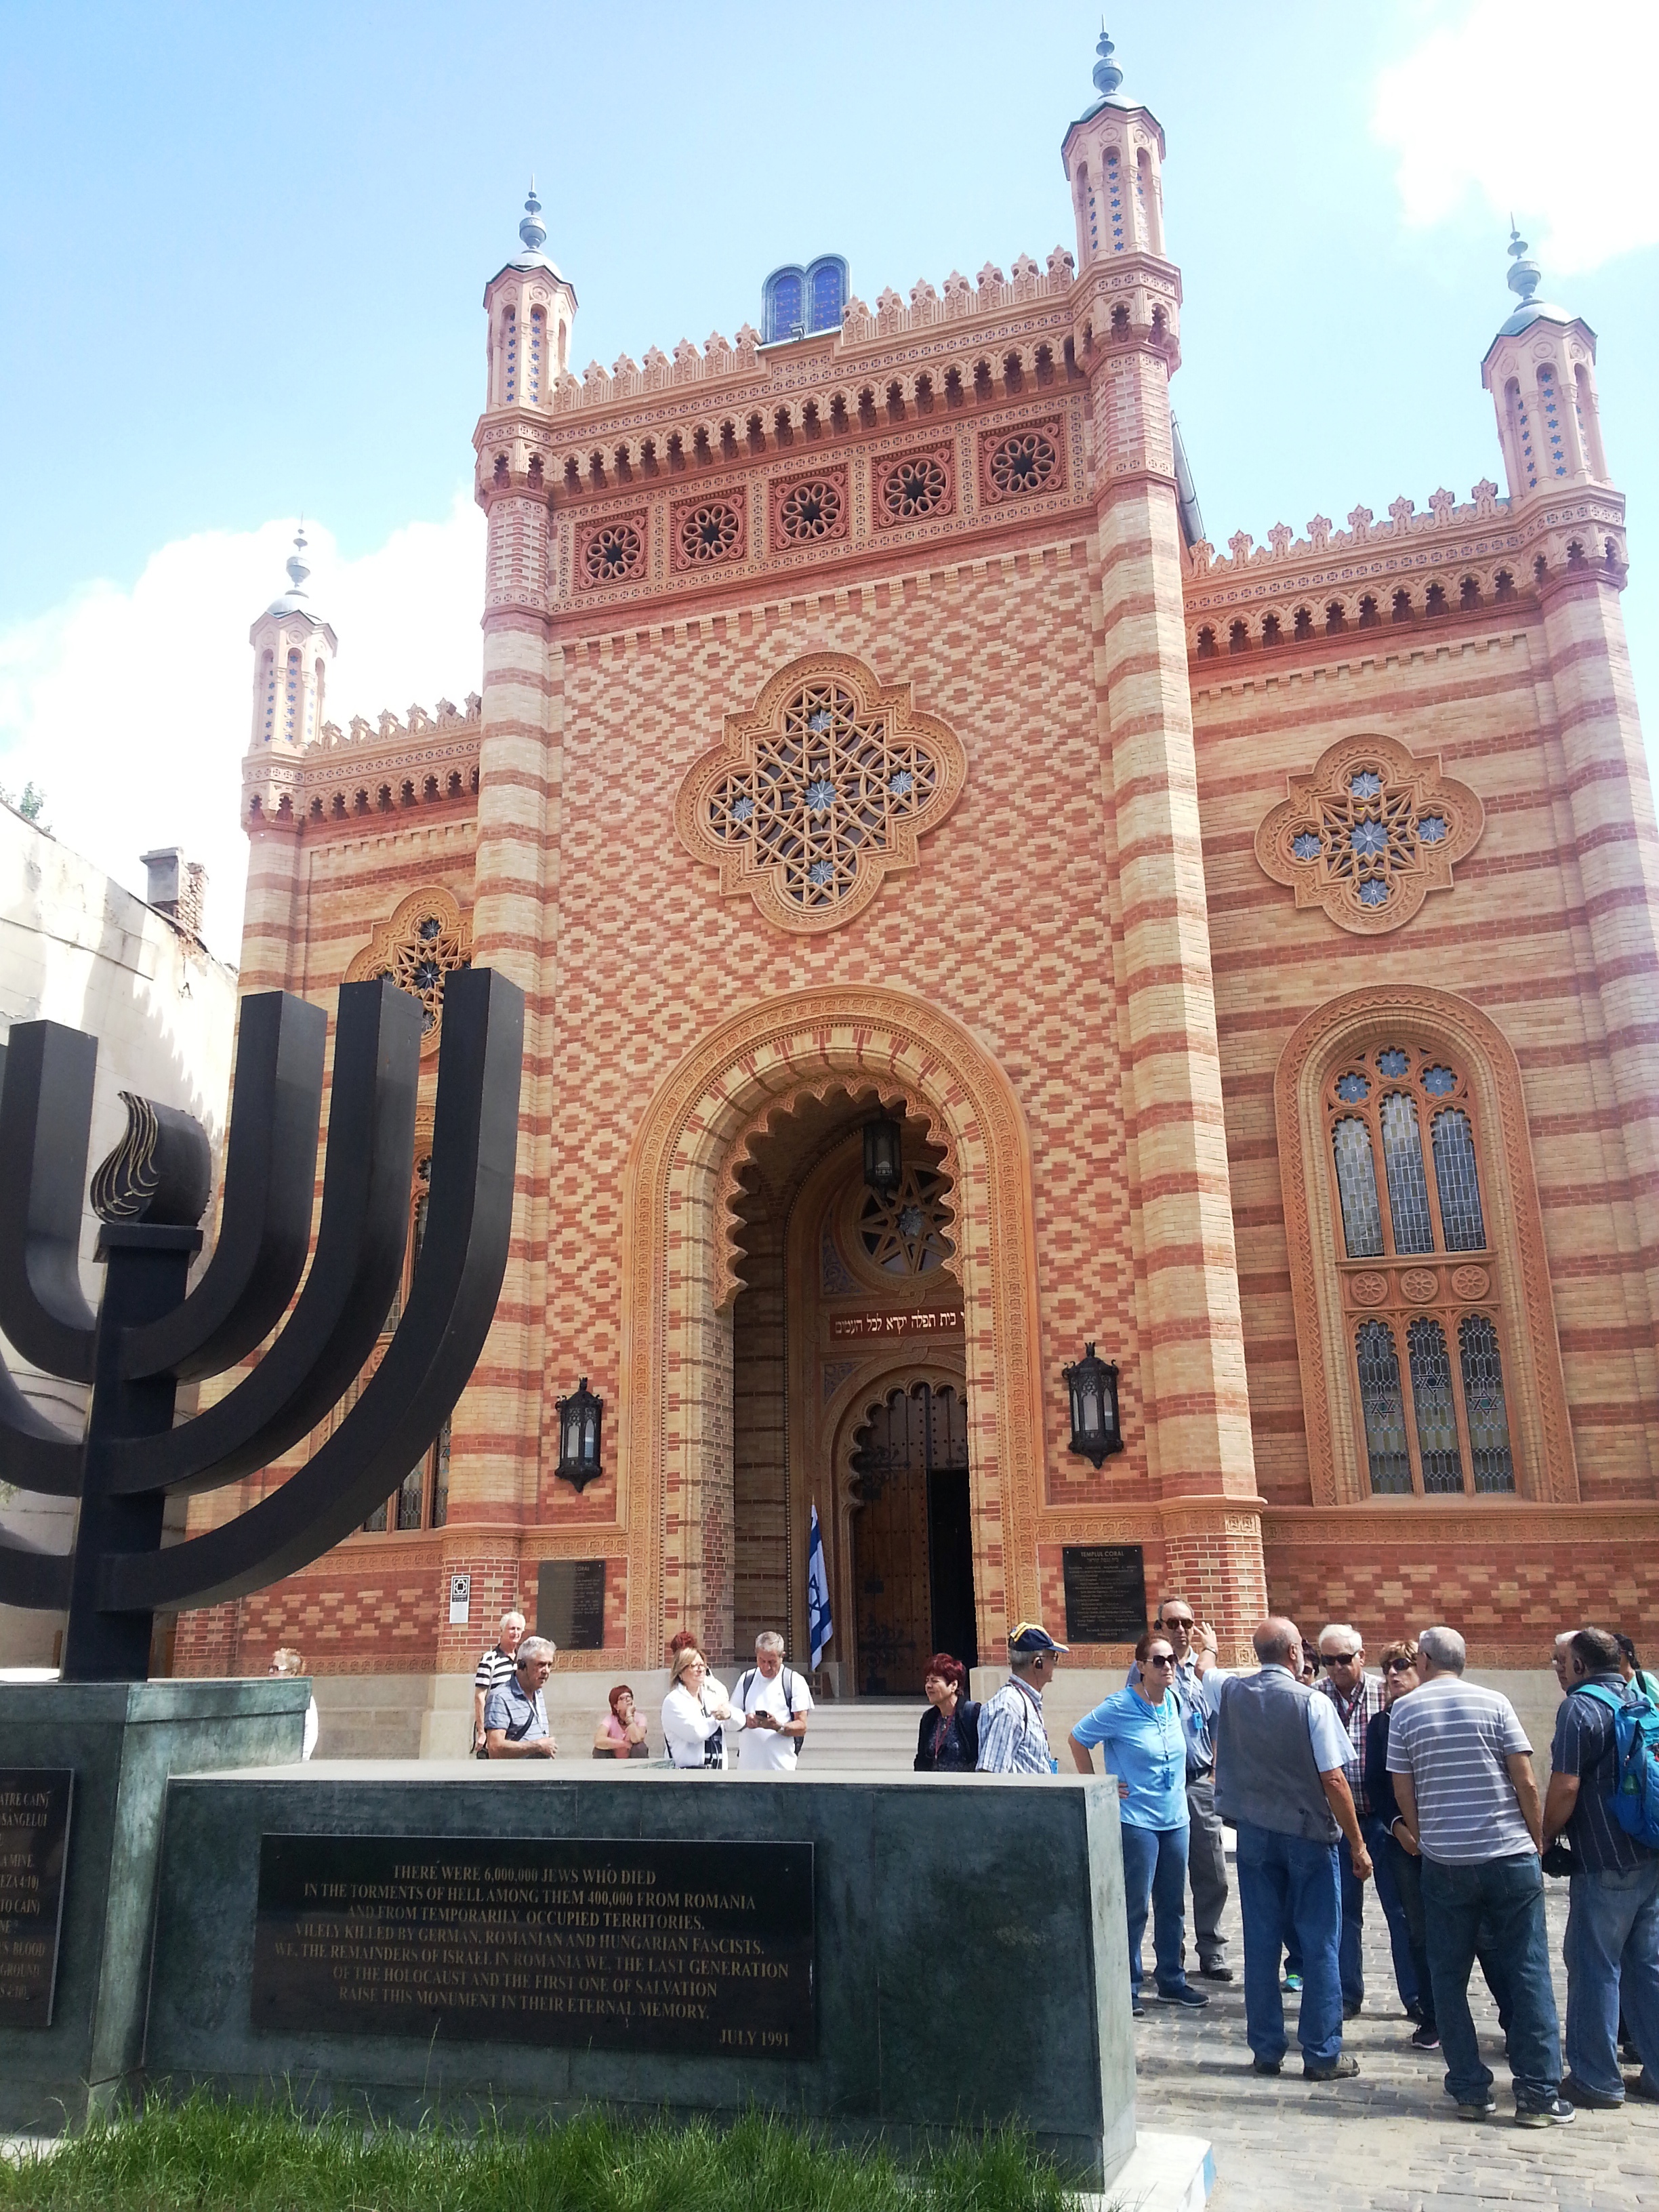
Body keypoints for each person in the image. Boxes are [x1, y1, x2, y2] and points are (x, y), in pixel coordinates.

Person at [1387, 1623, 1570, 2126]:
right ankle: (1538, 2095)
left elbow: (1403, 1788)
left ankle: (1470, 2089)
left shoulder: (1406, 1711)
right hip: (1508, 1855)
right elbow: (1525, 1779)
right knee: (1528, 1971)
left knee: (1448, 1977)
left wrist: (1424, 1836)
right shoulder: (1495, 1702)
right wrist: (1536, 1837)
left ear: (1424, 1661)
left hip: (1447, 1862)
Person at [1210, 1615, 1372, 2081]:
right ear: (1295, 1653)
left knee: (1261, 1942)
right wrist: (1358, 1844)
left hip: (1254, 1831)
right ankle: (1321, 2052)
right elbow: (1334, 1779)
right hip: (1307, 1833)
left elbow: (1205, 1671)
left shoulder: (1230, 1692)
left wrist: (1210, 1646)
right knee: (1320, 1942)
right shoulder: (1312, 1703)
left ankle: (1266, 2048)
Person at [1542, 1625, 1659, 2109]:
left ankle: (1595, 2079)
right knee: (1647, 1967)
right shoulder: (1641, 1698)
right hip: (1648, 1852)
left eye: (1561, 1662)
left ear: (1580, 1665)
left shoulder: (1580, 1708)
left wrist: (1545, 1835)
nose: (1559, 1669)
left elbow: (1566, 1786)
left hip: (1603, 1859)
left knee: (1594, 1967)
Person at [1071, 1629, 1208, 2018]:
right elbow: (1078, 1739)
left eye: (1172, 1660)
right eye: (1159, 1661)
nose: (1168, 1667)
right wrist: (1101, 1785)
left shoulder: (1174, 1701)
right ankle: (1127, 1983)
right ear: (1141, 1666)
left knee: (1173, 1904)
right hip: (1137, 1820)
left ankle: (1171, 1979)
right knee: (1134, 1905)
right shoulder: (1120, 1706)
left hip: (1175, 1818)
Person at [1130, 1596, 1231, 1982]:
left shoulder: (1205, 1672)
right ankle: (1170, 1955)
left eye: (1186, 1623)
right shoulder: (1144, 1669)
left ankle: (1212, 1949)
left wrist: (1217, 1771)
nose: (1181, 1630)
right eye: (1171, 1623)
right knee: (1165, 1879)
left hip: (1200, 1780)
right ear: (1158, 1627)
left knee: (1212, 1871)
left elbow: (1220, 1721)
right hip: (1160, 1786)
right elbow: (1130, 1722)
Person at [1365, 1640, 1438, 2047]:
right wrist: (1397, 1827)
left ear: (1422, 1668)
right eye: (1387, 1668)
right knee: (1418, 1930)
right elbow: (1377, 1782)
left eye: (1402, 1665)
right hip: (1404, 1844)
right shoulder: (1381, 1723)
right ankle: (1432, 2015)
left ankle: (1512, 2021)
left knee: (1481, 1934)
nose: (1392, 1674)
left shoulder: (1439, 1711)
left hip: (1451, 1837)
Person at [1314, 1622, 1389, 2018]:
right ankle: (1347, 1994)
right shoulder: (1315, 1697)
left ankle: (1417, 1998)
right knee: (1343, 1913)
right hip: (1338, 1823)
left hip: (1386, 1819)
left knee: (1402, 1910)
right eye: (1329, 1660)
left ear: (1361, 1656)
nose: (1337, 1667)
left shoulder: (1385, 1692)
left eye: (1344, 1659)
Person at [977, 1623, 1066, 1774]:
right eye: (1053, 1657)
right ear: (1038, 1663)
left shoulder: (1023, 1701)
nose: (1055, 1664)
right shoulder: (1010, 1706)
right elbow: (991, 1774)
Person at [730, 1631, 815, 1769]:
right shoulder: (747, 1679)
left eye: (772, 1662)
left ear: (782, 1657)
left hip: (780, 1768)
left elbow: (801, 1726)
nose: (766, 1667)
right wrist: (745, 1720)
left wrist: (777, 1726)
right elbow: (731, 1717)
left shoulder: (794, 1681)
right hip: (748, 1768)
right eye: (761, 1661)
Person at [482, 1635, 557, 1759]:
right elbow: (495, 1748)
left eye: (549, 1665)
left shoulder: (538, 1693)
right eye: (541, 1665)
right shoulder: (500, 1697)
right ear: (522, 1665)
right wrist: (537, 1746)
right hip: (515, 1771)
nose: (546, 1671)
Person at [661, 1646, 733, 1769]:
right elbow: (696, 1733)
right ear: (680, 1672)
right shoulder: (673, 1701)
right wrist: (718, 1718)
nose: (700, 1670)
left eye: (702, 1665)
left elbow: (739, 1721)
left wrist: (730, 1714)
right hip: (687, 1775)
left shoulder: (710, 1696)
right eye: (693, 1666)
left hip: (717, 1774)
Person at [472, 1610, 526, 1757]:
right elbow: (480, 1696)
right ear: (502, 1631)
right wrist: (482, 1732)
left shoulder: (524, 1661)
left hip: (519, 1729)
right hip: (496, 1727)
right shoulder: (490, 1659)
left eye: (519, 1629)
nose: (516, 1633)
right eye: (512, 1629)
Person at [915, 1653, 981, 1771]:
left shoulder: (972, 1714)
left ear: (953, 1685)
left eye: (935, 1681)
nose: (928, 1686)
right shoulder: (929, 1718)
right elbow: (921, 1762)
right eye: (927, 1680)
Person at [268, 1647, 319, 1761]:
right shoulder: (267, 1696)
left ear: (292, 1673)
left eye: (276, 1668)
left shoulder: (304, 1698)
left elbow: (309, 1735)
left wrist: (299, 1759)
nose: (271, 1672)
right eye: (270, 1668)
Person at [593, 1683, 649, 1759]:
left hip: (632, 1757)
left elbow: (637, 1739)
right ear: (616, 1706)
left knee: (640, 1747)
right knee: (599, 1750)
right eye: (622, 1698)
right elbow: (598, 1740)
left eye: (629, 1697)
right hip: (613, 1758)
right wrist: (624, 1744)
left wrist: (629, 1717)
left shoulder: (640, 1718)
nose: (628, 1700)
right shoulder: (610, 1719)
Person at [1614, 1633, 1659, 1709]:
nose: (1613, 1656)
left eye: (1618, 1652)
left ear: (1629, 1654)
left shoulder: (1644, 1679)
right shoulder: (1605, 1683)